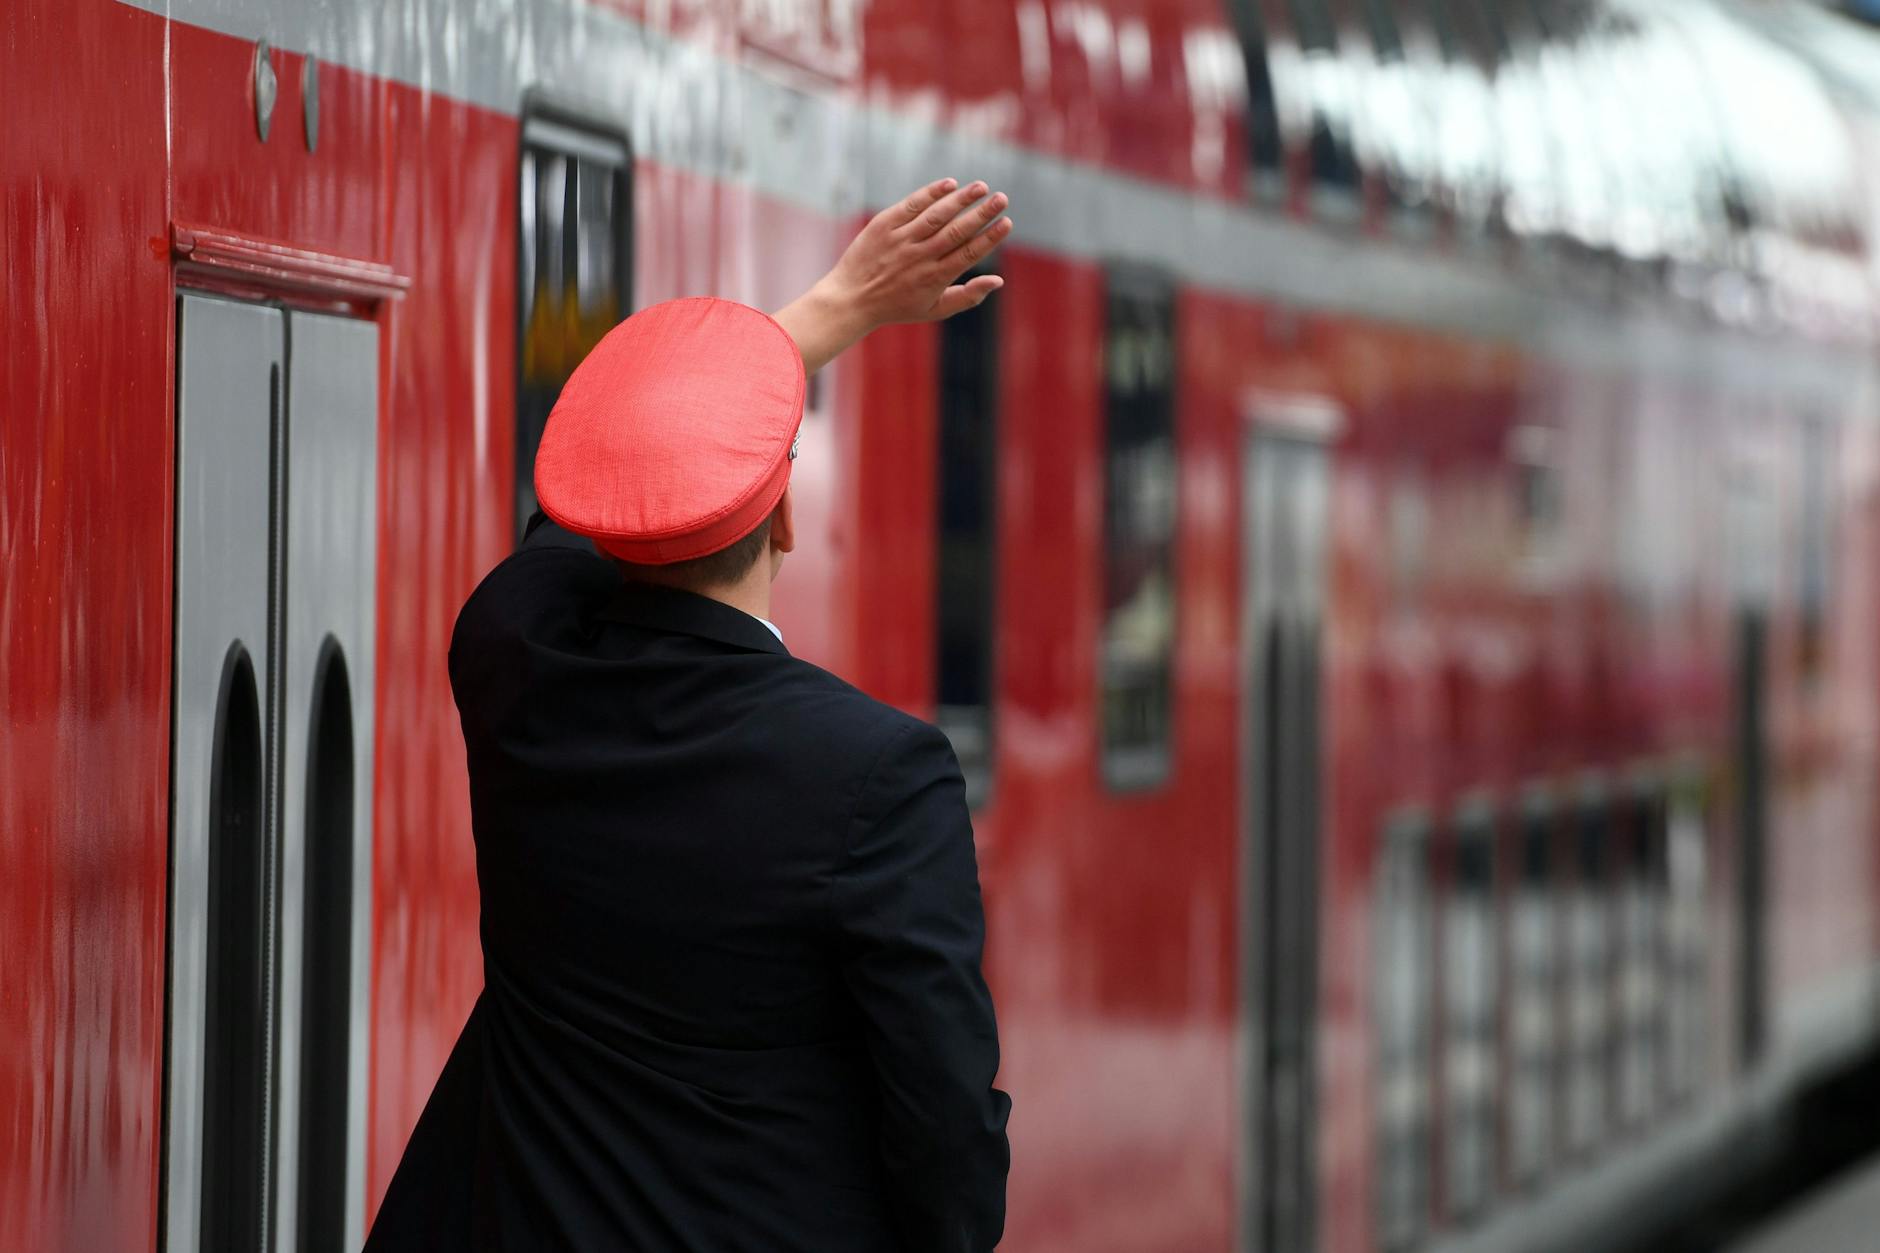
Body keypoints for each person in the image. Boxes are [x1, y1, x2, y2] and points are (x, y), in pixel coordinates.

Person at [364, 178, 1015, 1253]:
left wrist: (829, 309)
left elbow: (575, 519)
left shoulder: (516, 666)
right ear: (789, 515)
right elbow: (945, 1139)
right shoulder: (878, 774)